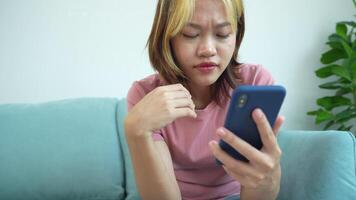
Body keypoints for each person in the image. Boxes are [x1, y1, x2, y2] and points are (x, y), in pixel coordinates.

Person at [124, 0, 285, 199]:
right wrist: (136, 132)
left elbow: (258, 187)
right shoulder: (145, 96)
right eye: (190, 34)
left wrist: (268, 176)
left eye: (223, 34)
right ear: (168, 37)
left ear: (237, 34)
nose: (208, 49)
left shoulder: (255, 82)